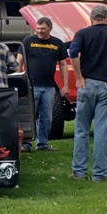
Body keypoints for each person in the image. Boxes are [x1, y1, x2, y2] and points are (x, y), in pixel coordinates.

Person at [69, 4, 107, 182]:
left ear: (91, 18)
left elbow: (73, 52)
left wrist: (79, 77)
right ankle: (99, 174)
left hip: (86, 84)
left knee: (81, 130)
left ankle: (79, 172)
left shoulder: (82, 33)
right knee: (103, 131)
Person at [21, 17, 69, 151]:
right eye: (38, 28)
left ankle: (43, 144)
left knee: (47, 117)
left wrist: (65, 85)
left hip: (49, 87)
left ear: (50, 28)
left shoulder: (57, 43)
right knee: (30, 116)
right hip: (31, 86)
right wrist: (19, 79)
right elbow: (19, 61)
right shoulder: (28, 41)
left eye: (43, 29)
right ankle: (26, 144)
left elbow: (63, 65)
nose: (40, 31)